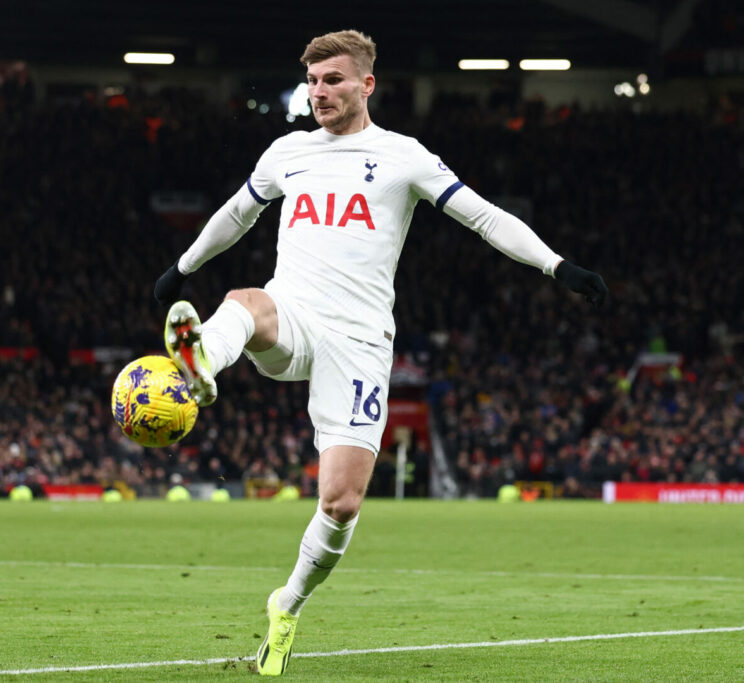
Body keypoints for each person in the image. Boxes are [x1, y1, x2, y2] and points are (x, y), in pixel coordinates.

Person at [153, 30, 607, 676]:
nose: (319, 92)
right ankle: (202, 364)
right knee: (245, 302)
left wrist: (557, 266)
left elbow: (484, 217)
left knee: (341, 503)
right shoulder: (288, 152)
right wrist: (182, 267)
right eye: (312, 81)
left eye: (333, 80)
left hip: (360, 341)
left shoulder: (403, 157)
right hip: (294, 314)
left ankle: (288, 604)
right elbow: (236, 213)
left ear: (366, 84)